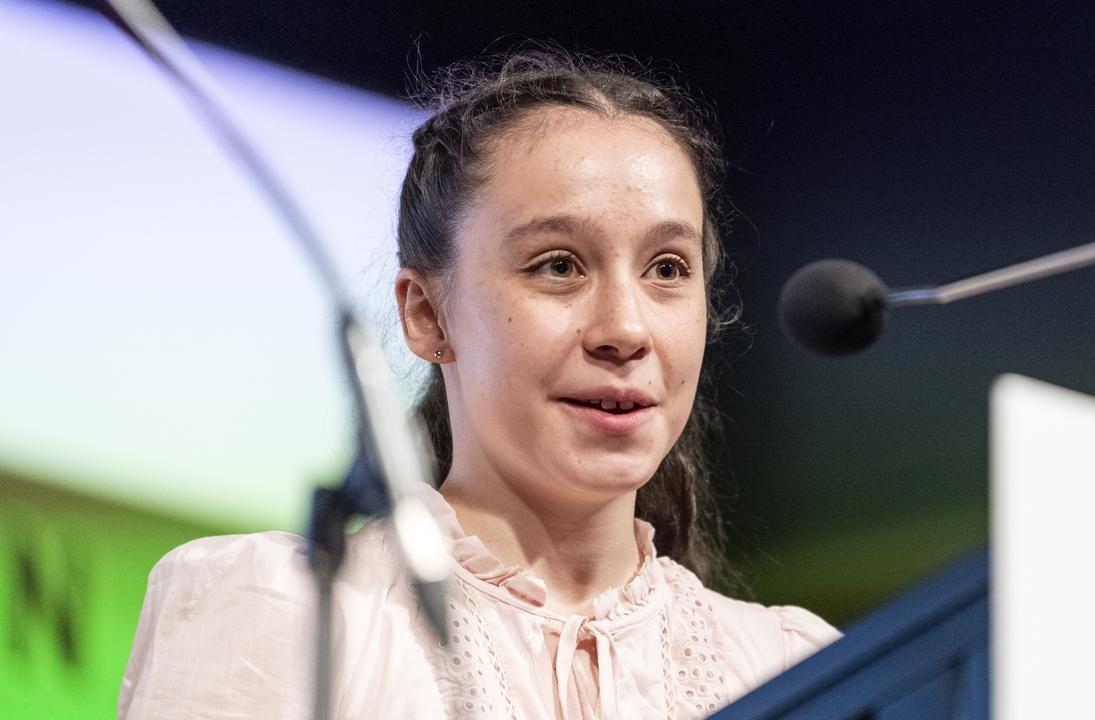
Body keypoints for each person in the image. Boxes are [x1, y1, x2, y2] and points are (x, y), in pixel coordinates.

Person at [118, 49, 839, 719]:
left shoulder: (794, 668)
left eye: (668, 269)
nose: (626, 328)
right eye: (558, 265)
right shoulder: (282, 610)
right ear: (427, 315)